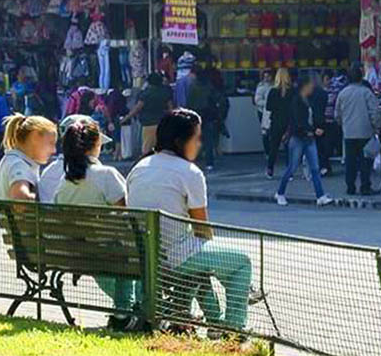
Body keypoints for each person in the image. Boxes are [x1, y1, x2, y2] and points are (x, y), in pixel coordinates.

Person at [127, 109, 252, 332]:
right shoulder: (189, 172)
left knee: (200, 261)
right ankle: (234, 328)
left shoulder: (139, 168)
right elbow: (202, 228)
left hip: (147, 256)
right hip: (175, 256)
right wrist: (217, 266)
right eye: (197, 138)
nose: (199, 144)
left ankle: (215, 323)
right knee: (240, 262)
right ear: (180, 141)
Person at [50, 115, 142, 332]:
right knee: (132, 249)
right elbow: (126, 216)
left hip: (80, 252)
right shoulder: (106, 175)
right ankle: (126, 311)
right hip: (112, 252)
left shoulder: (63, 183)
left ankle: (124, 312)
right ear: (95, 144)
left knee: (119, 251)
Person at [274, 75, 334, 207]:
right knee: (293, 167)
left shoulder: (306, 100)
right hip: (298, 137)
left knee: (314, 167)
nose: (312, 88)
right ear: (304, 87)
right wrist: (313, 129)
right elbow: (299, 121)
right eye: (310, 85)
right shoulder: (297, 101)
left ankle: (320, 195)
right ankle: (280, 192)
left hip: (308, 136)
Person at [335, 66, 381, 196]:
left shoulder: (343, 93)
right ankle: (365, 186)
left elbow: (337, 113)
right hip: (365, 131)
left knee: (350, 161)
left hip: (349, 132)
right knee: (365, 161)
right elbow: (375, 112)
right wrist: (376, 127)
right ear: (361, 77)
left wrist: (343, 124)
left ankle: (350, 186)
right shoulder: (366, 93)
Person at [0, 113, 58, 201]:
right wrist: (48, 199)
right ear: (35, 137)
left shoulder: (13, 159)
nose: (54, 150)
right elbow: (20, 198)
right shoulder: (19, 165)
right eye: (51, 143)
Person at [124, 72, 174, 156]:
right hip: (163, 123)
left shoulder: (146, 93)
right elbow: (171, 108)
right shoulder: (166, 92)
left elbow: (137, 108)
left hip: (148, 124)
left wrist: (126, 118)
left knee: (147, 150)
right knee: (162, 150)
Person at [186, 66, 223, 171]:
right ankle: (209, 162)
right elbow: (215, 99)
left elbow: (189, 102)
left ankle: (193, 158)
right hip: (208, 116)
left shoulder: (193, 87)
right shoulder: (209, 87)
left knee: (194, 138)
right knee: (208, 140)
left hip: (196, 116)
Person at [264, 68, 294, 179]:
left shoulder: (273, 91)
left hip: (276, 121)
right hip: (288, 121)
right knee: (289, 149)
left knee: (274, 147)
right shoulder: (292, 91)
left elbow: (268, 107)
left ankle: (270, 169)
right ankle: (289, 172)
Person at [254, 69, 274, 162]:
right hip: (263, 112)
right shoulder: (261, 87)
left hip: (273, 112)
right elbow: (257, 101)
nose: (267, 78)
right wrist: (267, 103)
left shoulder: (274, 86)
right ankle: (267, 152)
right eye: (265, 76)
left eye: (268, 76)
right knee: (265, 133)